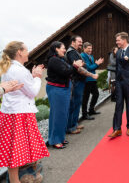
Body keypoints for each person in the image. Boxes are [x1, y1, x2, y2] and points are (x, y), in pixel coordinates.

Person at [0, 41, 50, 183]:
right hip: (20, 113)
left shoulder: (8, 68)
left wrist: (32, 76)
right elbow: (33, 92)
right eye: (26, 50)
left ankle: (16, 179)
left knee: (13, 150)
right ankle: (20, 179)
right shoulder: (19, 70)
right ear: (19, 52)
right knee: (17, 150)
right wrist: (37, 77)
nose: (28, 52)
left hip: (10, 112)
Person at [46, 41, 84, 149]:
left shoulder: (60, 59)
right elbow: (66, 72)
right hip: (57, 90)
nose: (64, 50)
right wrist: (76, 66)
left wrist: (74, 67)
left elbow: (68, 70)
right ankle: (55, 140)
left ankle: (60, 137)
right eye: (63, 48)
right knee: (57, 116)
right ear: (56, 49)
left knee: (64, 115)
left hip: (64, 89)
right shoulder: (53, 60)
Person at [65, 35, 98, 134]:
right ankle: (71, 127)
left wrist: (82, 64)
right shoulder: (71, 52)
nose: (81, 43)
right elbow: (77, 68)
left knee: (77, 103)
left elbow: (79, 65)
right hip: (76, 81)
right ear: (73, 42)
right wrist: (91, 75)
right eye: (79, 41)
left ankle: (74, 124)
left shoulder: (75, 52)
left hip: (79, 81)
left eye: (81, 41)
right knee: (74, 104)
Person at [81, 42, 104, 120]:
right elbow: (88, 68)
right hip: (87, 79)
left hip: (93, 78)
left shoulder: (91, 56)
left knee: (96, 94)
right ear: (84, 48)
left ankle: (91, 110)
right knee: (86, 97)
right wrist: (97, 64)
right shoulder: (82, 56)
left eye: (91, 48)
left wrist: (97, 64)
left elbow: (92, 67)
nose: (90, 50)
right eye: (88, 48)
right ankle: (84, 114)